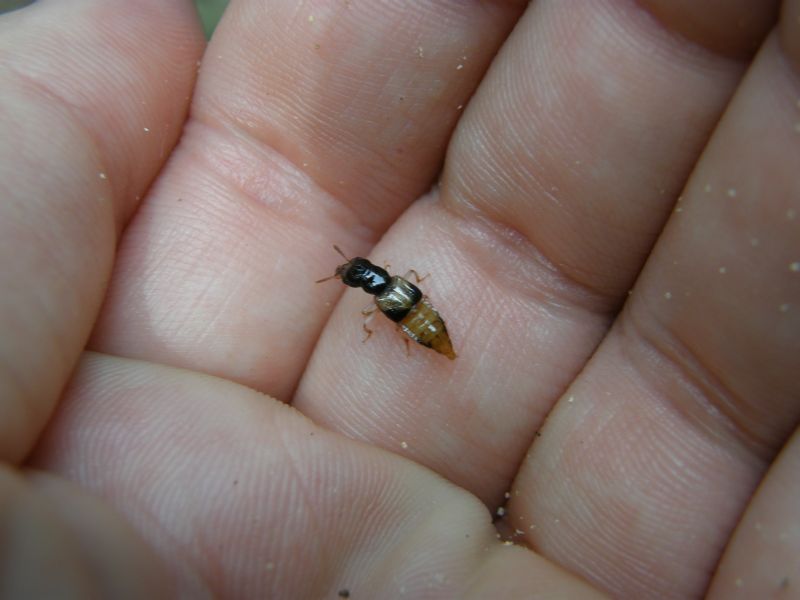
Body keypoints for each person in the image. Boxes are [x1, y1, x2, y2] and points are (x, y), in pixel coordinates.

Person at [1, 0, 797, 597]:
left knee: (420, 325)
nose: (361, 279)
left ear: (366, 280)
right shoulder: (388, 291)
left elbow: (397, 303)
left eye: (356, 276)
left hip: (426, 327)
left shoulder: (385, 294)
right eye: (358, 277)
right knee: (421, 324)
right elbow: (399, 301)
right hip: (426, 327)